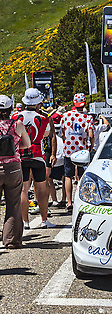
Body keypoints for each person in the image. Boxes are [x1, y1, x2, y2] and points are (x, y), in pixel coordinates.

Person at [13, 88, 56, 229]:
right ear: (38, 102)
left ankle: (25, 222)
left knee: (24, 190)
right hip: (37, 154)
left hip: (21, 155)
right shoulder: (43, 118)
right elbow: (46, 135)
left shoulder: (16, 116)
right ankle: (44, 220)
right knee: (41, 189)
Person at [0, 95, 30, 248]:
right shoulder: (17, 124)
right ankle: (12, 240)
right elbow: (27, 144)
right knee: (13, 204)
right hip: (13, 168)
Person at [60, 93, 94, 212]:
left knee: (68, 176)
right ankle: (82, 199)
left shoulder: (65, 115)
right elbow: (91, 135)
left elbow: (63, 133)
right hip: (81, 151)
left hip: (68, 149)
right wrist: (91, 146)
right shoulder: (88, 117)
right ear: (84, 103)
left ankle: (69, 202)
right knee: (81, 176)